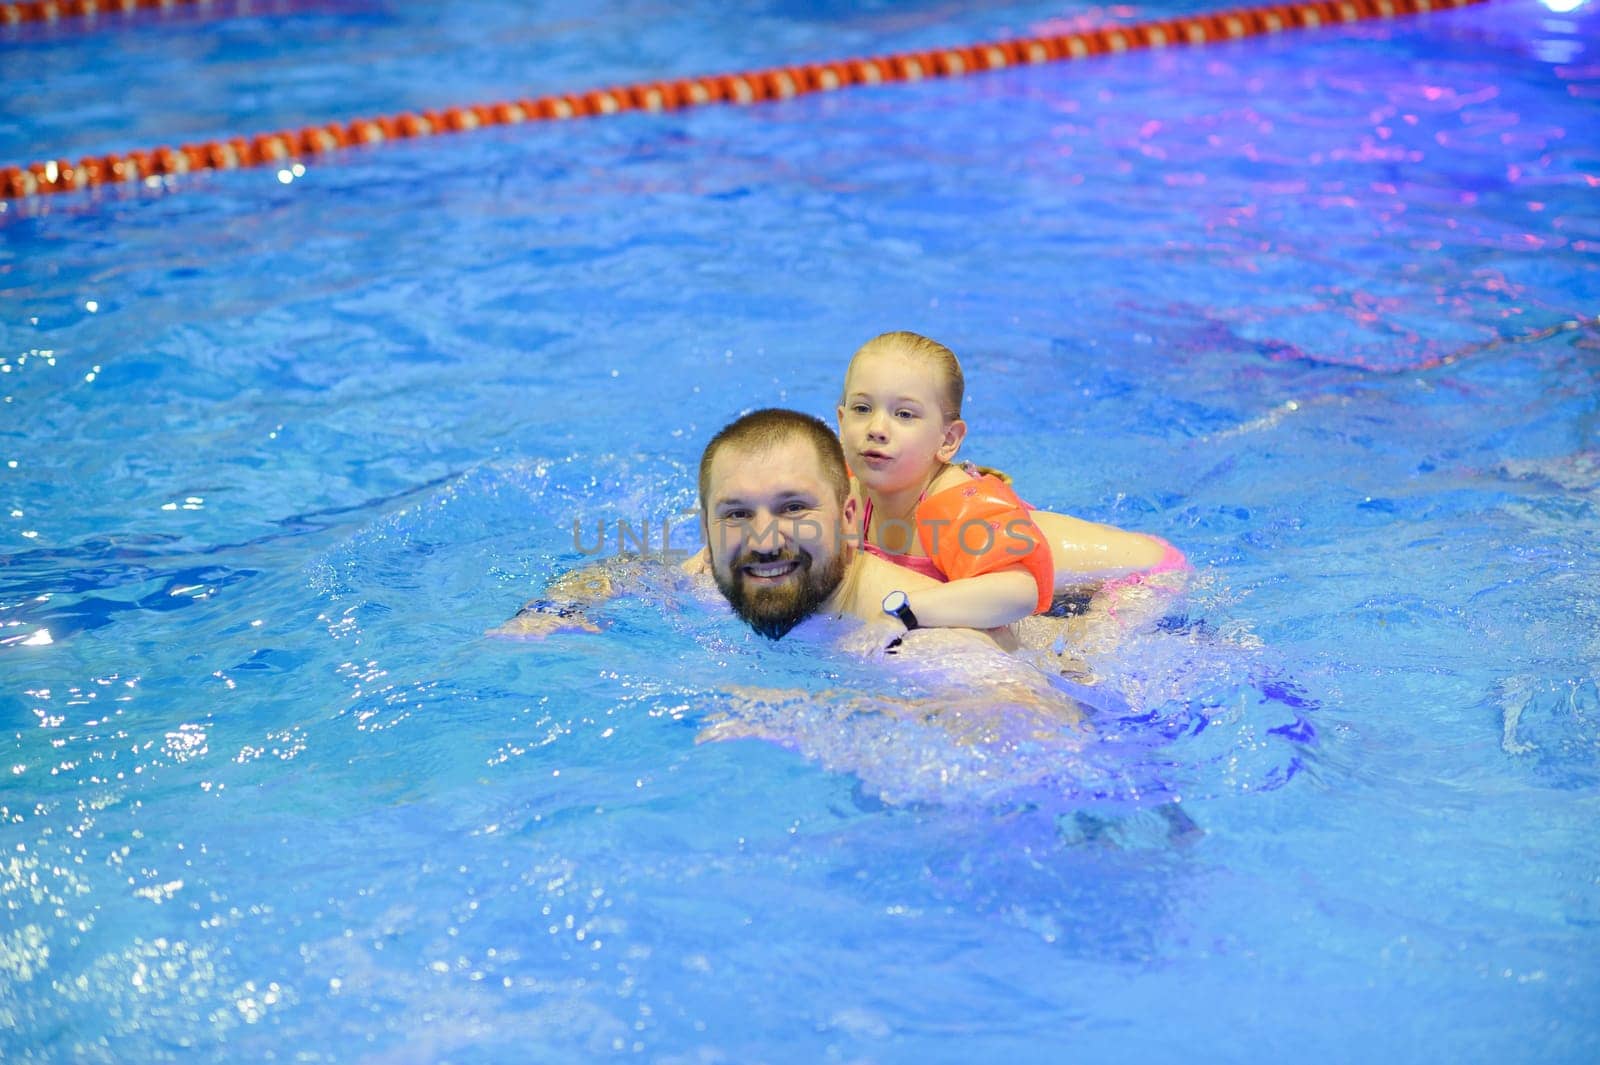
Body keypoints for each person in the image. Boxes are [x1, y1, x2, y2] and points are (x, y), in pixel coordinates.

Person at [836, 330, 1189, 633]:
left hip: (1142, 579)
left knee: (1078, 671)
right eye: (862, 409)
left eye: (904, 414)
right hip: (1036, 575)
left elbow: (1020, 591)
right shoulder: (847, 478)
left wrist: (906, 613)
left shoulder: (955, 507)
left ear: (947, 440)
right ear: (841, 420)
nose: (876, 429)